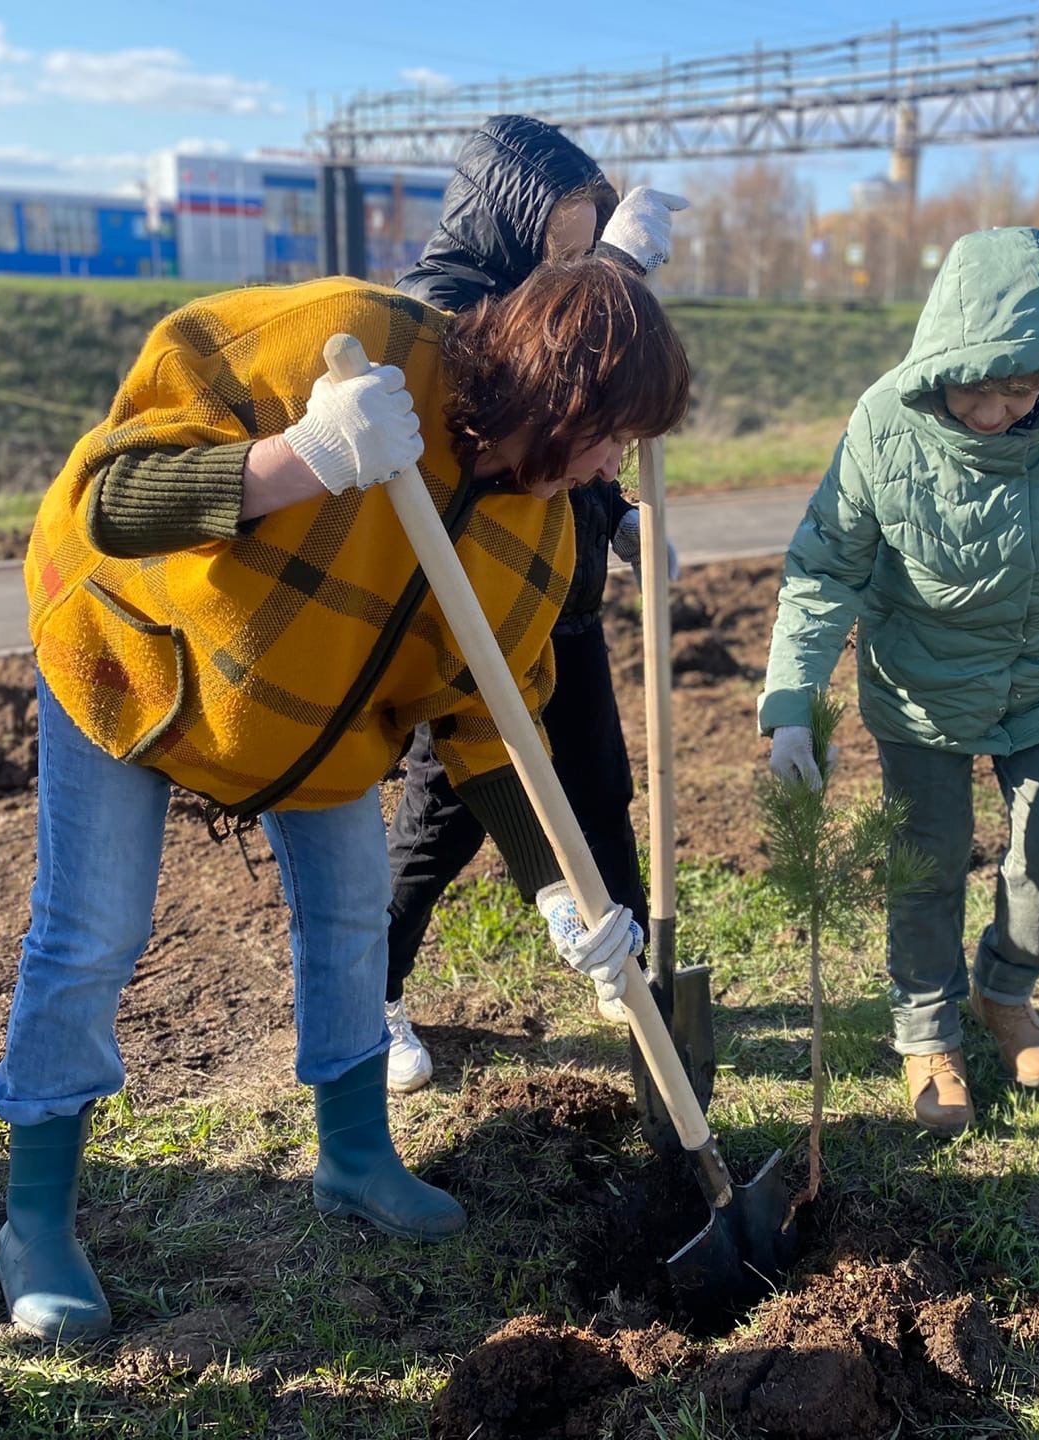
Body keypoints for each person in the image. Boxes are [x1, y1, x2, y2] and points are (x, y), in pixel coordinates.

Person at [0, 256, 689, 1342]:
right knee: (93, 931)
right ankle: (35, 1220)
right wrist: (297, 460)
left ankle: (357, 1158)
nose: (614, 469)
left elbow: (486, 723)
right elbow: (107, 501)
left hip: (309, 723)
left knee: (354, 923)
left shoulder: (542, 534)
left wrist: (561, 892)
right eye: (609, 436)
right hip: (136, 663)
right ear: (558, 397)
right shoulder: (346, 339)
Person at [758, 226, 1039, 1137]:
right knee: (927, 861)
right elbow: (825, 567)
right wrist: (792, 704)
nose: (992, 411)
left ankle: (1005, 992)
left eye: (1018, 389)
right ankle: (926, 1033)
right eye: (974, 388)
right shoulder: (883, 422)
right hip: (923, 682)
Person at [383, 115, 685, 1091]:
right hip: (472, 625)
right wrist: (621, 281)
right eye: (561, 235)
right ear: (506, 216)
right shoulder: (440, 309)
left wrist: (617, 512)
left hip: (567, 603)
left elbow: (577, 425)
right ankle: (372, 999)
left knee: (601, 791)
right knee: (442, 823)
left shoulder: (537, 296)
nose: (574, 255)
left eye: (587, 234)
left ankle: (631, 968)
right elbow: (516, 436)